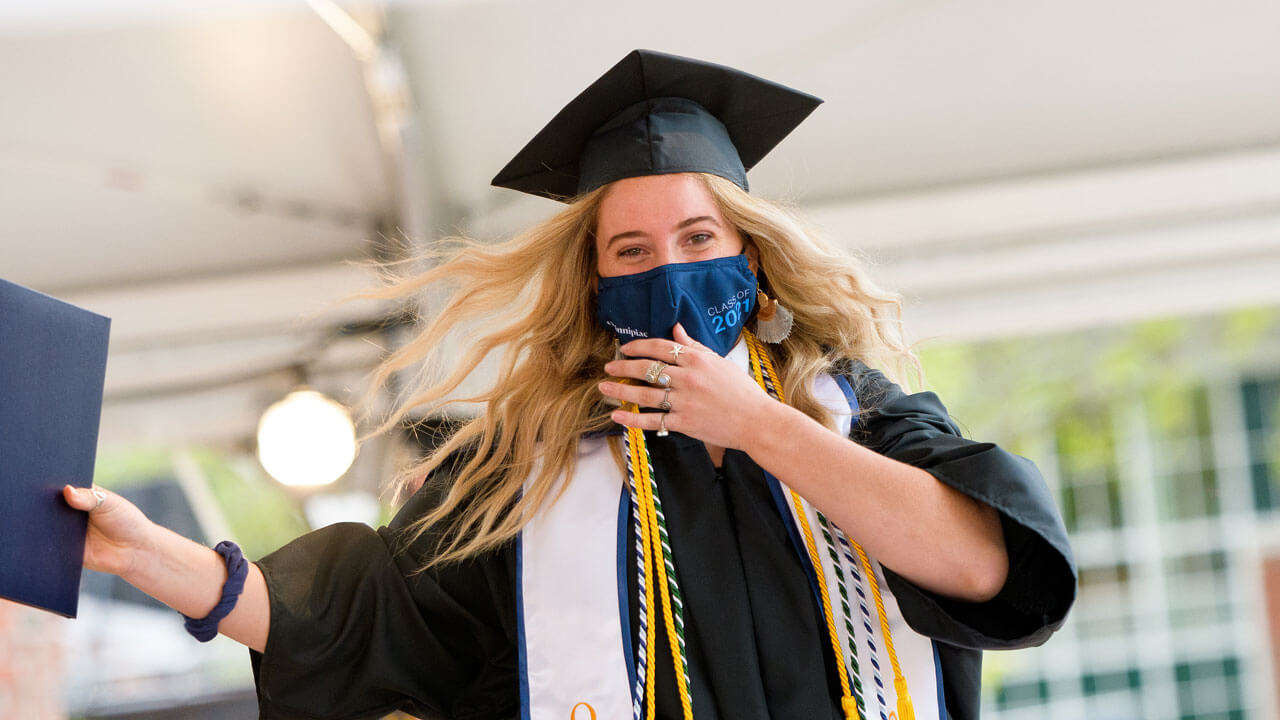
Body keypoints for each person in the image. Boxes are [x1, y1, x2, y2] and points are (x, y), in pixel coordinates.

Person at [63, 49, 1076, 720]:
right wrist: (161, 562)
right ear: (592, 289)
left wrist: (760, 428)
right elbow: (366, 613)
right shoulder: (530, 470)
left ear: (752, 261)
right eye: (628, 252)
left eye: (696, 239)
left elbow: (988, 567)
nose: (665, 271)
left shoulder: (852, 413)